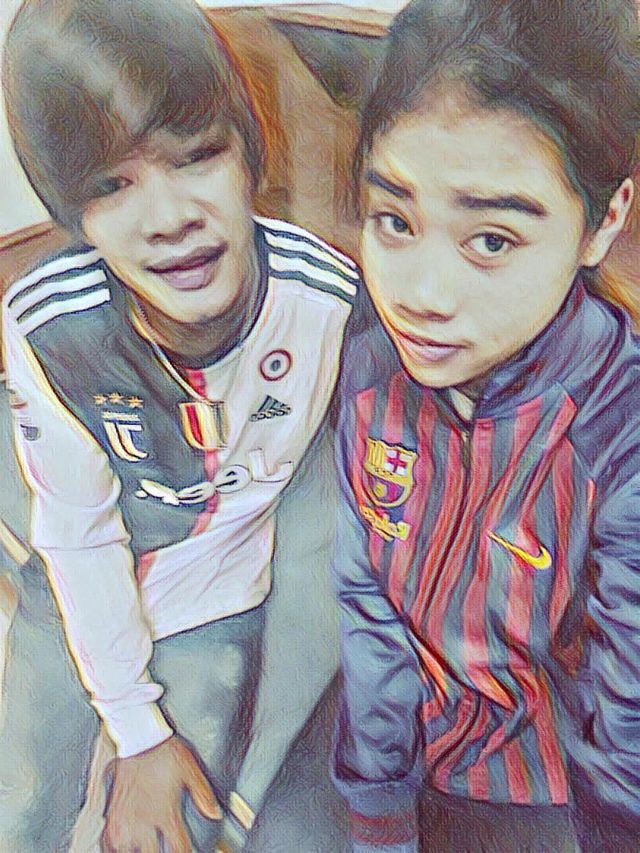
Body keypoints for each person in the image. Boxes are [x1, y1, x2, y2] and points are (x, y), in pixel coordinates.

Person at [0, 1, 360, 850]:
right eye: (111, 186)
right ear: (74, 213)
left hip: (221, 592)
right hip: (79, 577)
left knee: (194, 822)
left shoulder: (328, 303)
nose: (168, 217)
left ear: (249, 153)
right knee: (20, 804)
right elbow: (80, 538)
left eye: (198, 157)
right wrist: (134, 728)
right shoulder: (52, 327)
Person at [332, 1, 640, 851]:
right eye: (395, 221)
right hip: (397, 765)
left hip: (554, 804)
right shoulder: (371, 370)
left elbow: (628, 721)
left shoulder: (618, 434)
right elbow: (367, 603)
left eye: (492, 240)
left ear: (604, 220)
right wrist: (378, 815)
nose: (422, 295)